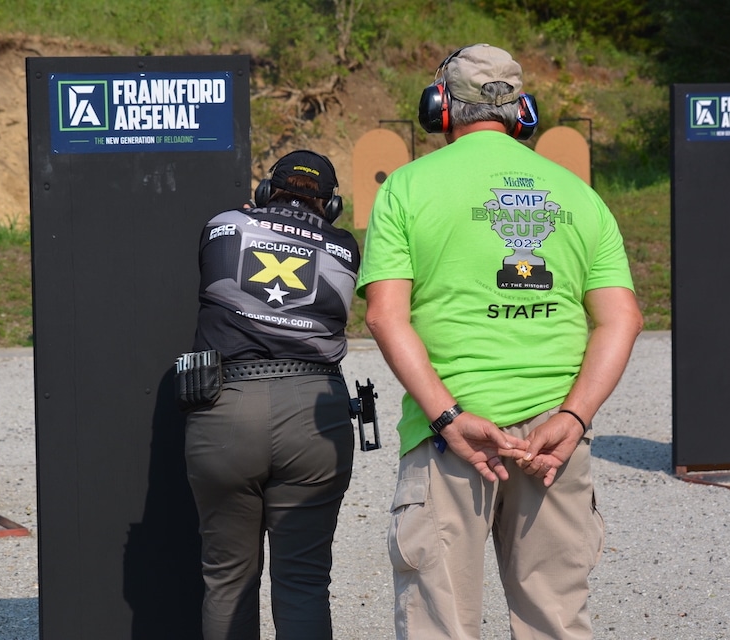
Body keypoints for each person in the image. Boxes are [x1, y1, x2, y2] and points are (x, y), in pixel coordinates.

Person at [356, 44, 644, 639]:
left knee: (439, 624)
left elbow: (386, 316)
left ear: (439, 108)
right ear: (522, 112)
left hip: (448, 440)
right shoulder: (580, 196)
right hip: (551, 445)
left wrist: (449, 417)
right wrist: (574, 417)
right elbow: (623, 319)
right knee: (557, 623)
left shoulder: (406, 189)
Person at [184, 150, 361, 639]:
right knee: (303, 582)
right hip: (315, 414)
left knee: (226, 581)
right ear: (331, 206)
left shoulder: (224, 224)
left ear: (264, 191)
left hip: (227, 407)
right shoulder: (344, 245)